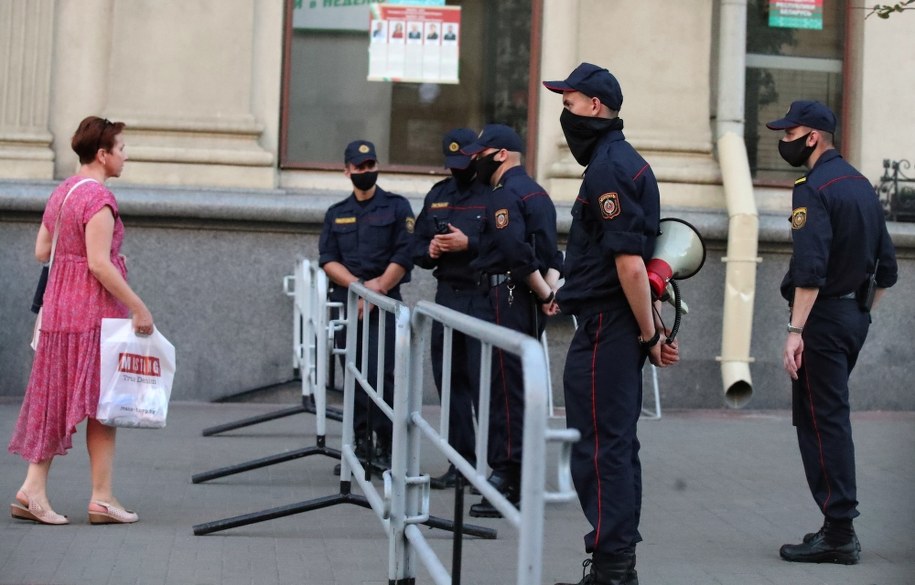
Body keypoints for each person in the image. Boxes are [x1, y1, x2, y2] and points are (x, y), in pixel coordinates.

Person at [543, 63, 679, 585]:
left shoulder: (608, 168)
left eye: (569, 103)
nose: (565, 113)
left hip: (607, 328)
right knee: (614, 444)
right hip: (612, 322)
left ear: (595, 107)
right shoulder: (623, 161)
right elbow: (632, 259)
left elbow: (628, 263)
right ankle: (615, 566)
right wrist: (652, 332)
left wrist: (649, 336)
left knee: (600, 448)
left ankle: (613, 569)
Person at [766, 100, 897, 565]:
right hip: (851, 318)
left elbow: (810, 268)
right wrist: (857, 315)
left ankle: (839, 532)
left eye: (789, 133)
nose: (783, 141)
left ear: (813, 137)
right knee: (827, 417)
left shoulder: (813, 187)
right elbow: (887, 269)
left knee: (823, 423)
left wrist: (795, 329)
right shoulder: (861, 185)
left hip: (821, 322)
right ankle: (835, 525)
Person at [8, 116, 153, 525]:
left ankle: (33, 489)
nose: (126, 155)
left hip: (58, 311)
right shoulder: (100, 200)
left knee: (56, 398)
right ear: (103, 155)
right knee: (102, 407)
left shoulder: (64, 192)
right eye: (121, 148)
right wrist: (140, 307)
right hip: (93, 313)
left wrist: (69, 256)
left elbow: (42, 250)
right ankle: (101, 498)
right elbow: (100, 265)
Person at [461, 124, 561, 518]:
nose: (474, 160)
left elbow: (517, 253)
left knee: (504, 389)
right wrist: (548, 292)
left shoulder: (505, 194)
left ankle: (509, 477)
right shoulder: (537, 193)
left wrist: (543, 292)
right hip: (524, 300)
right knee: (516, 387)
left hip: (507, 296)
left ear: (500, 154)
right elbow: (554, 255)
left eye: (479, 153)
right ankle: (516, 472)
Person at [319, 140, 414, 475]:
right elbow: (328, 259)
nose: (366, 171)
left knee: (385, 376)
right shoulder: (337, 213)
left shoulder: (397, 207)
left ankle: (387, 445)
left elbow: (405, 253)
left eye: (370, 165)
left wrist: (376, 290)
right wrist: (358, 288)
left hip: (386, 305)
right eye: (359, 167)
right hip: (350, 304)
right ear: (347, 171)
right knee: (356, 375)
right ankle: (361, 443)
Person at [412, 128, 489, 489]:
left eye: (467, 161)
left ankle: (497, 469)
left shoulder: (493, 193)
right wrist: (431, 251)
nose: (460, 168)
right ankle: (460, 464)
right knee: (451, 383)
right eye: (453, 162)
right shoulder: (438, 195)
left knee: (483, 385)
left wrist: (468, 244)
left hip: (483, 297)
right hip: (448, 297)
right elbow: (415, 247)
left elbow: (506, 244)